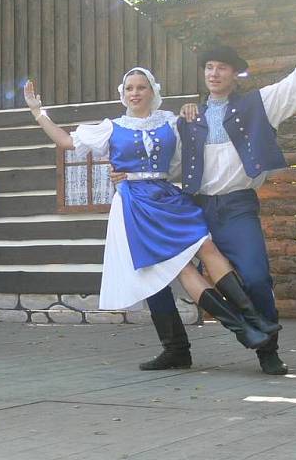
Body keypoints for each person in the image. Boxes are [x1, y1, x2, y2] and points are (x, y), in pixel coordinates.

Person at [144, 1, 296, 376]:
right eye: (208, 67)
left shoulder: (259, 105)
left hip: (238, 207)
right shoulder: (187, 119)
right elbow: (169, 165)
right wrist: (128, 176)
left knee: (256, 277)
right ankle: (175, 349)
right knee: (156, 270)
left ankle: (267, 349)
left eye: (221, 67)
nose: (214, 72)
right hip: (196, 208)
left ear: (234, 74)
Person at [24, 68, 281, 357]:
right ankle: (242, 329)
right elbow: (67, 141)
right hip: (136, 204)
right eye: (129, 88)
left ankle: (254, 320)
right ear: (122, 94)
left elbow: (195, 154)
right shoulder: (112, 127)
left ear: (152, 92)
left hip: (169, 197)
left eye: (141, 87)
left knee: (206, 245)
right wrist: (38, 112)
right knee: (178, 267)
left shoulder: (171, 123)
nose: (134, 93)